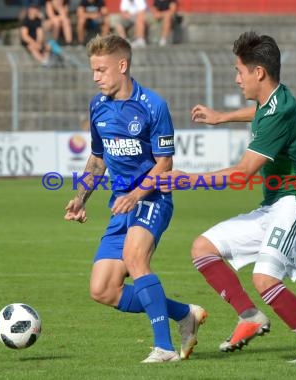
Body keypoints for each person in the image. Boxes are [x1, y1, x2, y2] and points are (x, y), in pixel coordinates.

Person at [161, 31, 296, 364]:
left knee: (264, 277)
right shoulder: (273, 100)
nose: (236, 78)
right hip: (275, 206)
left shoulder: (278, 112)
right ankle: (249, 316)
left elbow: (242, 174)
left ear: (259, 72)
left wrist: (188, 180)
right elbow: (259, 114)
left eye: (240, 70)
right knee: (203, 248)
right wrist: (222, 117)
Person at [64, 35, 207, 363]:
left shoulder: (153, 105)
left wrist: (137, 193)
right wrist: (80, 197)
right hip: (122, 203)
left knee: (135, 257)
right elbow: (98, 159)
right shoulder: (98, 106)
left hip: (153, 197)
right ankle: (185, 314)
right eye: (93, 70)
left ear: (122, 66)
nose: (95, 76)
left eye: (101, 69)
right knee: (103, 289)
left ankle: (164, 348)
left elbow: (165, 163)